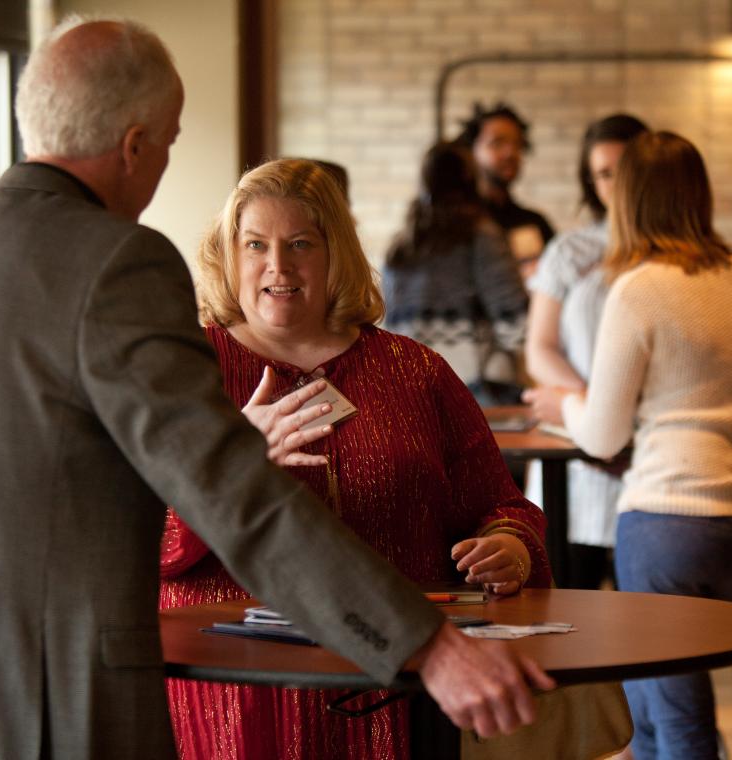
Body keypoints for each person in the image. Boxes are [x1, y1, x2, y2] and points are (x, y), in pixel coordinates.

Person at [0, 18, 555, 760]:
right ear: (135, 143)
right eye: (171, 143)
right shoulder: (118, 262)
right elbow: (237, 496)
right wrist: (428, 647)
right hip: (50, 702)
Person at [161, 157, 552, 760]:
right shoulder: (183, 372)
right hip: (235, 698)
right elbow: (139, 539)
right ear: (228, 255)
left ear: (335, 254)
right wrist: (232, 463)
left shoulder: (416, 371)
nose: (278, 267)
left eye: (300, 244)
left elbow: (501, 504)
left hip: (396, 683)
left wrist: (511, 546)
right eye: (256, 245)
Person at [527, 131, 732, 760]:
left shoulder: (640, 287)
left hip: (669, 517)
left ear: (631, 201)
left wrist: (564, 406)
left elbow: (605, 433)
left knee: (674, 716)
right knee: (649, 705)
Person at [522, 113, 648, 590]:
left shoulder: (669, 252)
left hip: (649, 455)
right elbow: (541, 349)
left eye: (626, 169)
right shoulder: (570, 250)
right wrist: (595, 406)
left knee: (649, 628)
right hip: (576, 455)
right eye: (603, 173)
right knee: (571, 618)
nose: (614, 184)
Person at [383, 141, 530, 407]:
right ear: (470, 179)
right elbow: (516, 328)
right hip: (474, 393)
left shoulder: (401, 246)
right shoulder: (481, 236)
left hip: (410, 393)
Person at [455, 102, 556, 281]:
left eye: (517, 144)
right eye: (497, 143)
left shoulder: (534, 223)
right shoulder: (456, 222)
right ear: (471, 151)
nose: (510, 152)